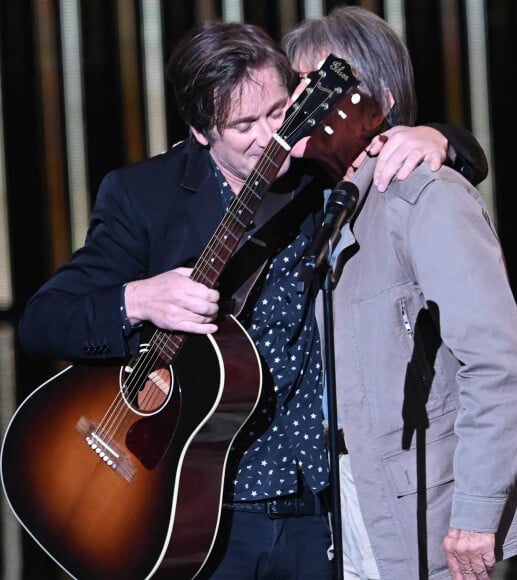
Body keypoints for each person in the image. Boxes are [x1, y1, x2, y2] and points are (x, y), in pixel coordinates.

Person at [16, 18, 488, 580]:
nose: (271, 136)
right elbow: (44, 322)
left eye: (279, 110)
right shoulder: (146, 195)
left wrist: (439, 138)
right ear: (201, 130)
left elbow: (452, 162)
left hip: (321, 506)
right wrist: (140, 298)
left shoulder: (318, 169)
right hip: (198, 507)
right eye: (244, 124)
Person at [283, 6, 517, 579]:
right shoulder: (329, 204)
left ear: (378, 99)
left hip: (432, 510)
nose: (299, 106)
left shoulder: (424, 195)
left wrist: (477, 515)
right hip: (354, 501)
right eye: (298, 87)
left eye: (321, 86)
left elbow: (497, 363)